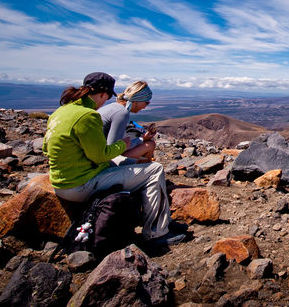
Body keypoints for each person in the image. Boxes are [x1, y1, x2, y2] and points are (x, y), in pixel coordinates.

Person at [43, 72, 184, 246]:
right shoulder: (88, 116)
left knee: (136, 167)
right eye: (107, 96)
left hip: (60, 182)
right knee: (154, 170)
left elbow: (45, 148)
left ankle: (160, 218)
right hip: (80, 184)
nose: (106, 101)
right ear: (103, 94)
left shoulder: (62, 111)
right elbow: (103, 154)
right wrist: (124, 144)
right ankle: (157, 233)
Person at [98, 80, 156, 165]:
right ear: (136, 100)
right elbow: (112, 147)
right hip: (101, 161)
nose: (145, 107)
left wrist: (142, 139)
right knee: (150, 144)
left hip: (96, 155)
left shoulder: (113, 107)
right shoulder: (121, 113)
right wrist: (140, 140)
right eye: (146, 102)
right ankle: (143, 173)